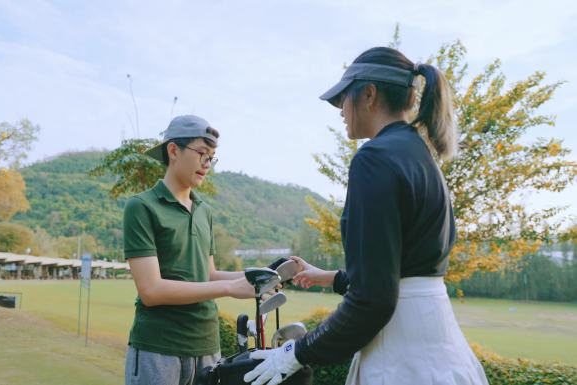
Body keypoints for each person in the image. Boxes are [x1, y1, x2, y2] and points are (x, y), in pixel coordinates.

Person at [244, 47, 489, 385]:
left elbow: (373, 300)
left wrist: (295, 353)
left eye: (343, 99)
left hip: (401, 353)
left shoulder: (374, 158)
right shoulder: (422, 155)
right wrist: (328, 277)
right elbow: (400, 274)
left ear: (369, 95)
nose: (340, 110)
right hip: (437, 343)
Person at [124, 115, 255, 385]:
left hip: (207, 346)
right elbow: (151, 291)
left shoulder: (203, 210)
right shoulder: (142, 207)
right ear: (173, 150)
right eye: (202, 154)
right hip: (158, 348)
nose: (207, 165)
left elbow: (208, 274)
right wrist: (231, 289)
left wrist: (257, 277)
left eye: (212, 157)